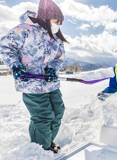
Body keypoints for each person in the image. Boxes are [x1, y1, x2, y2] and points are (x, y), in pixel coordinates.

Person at [0, 0, 68, 153]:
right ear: (45, 17)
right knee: (43, 117)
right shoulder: (23, 31)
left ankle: (47, 142)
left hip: (51, 83)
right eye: (57, 21)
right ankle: (40, 151)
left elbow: (59, 57)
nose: (58, 25)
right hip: (30, 83)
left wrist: (52, 69)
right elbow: (5, 48)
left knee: (58, 112)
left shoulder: (55, 37)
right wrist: (16, 67)